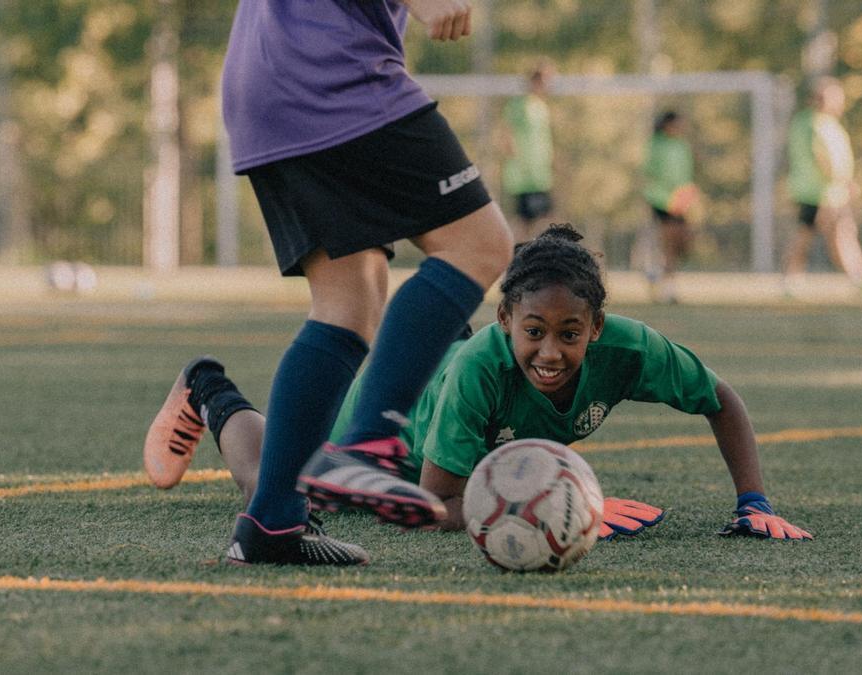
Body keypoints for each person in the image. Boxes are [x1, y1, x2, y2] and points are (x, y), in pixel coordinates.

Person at [145, 226, 811, 565]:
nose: (551, 352)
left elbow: (719, 399)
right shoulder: (480, 369)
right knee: (276, 479)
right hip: (398, 434)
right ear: (506, 321)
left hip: (458, 371)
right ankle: (210, 388)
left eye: (570, 334)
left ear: (597, 328)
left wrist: (753, 502)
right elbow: (433, 503)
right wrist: (570, 511)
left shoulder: (632, 350)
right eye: (534, 332)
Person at [144, 1, 514, 567]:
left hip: (270, 83)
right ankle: (366, 444)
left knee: (350, 300)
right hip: (331, 75)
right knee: (479, 245)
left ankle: (271, 521)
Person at [783, 77, 862, 293]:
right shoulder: (814, 124)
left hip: (822, 190)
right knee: (835, 233)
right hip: (822, 191)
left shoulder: (819, 122)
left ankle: (857, 277)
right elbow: (822, 157)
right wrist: (841, 182)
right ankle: (858, 277)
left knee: (832, 233)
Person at [641, 111, 700, 304]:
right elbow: (651, 173)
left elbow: (686, 173)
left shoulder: (682, 145)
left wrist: (687, 194)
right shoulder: (656, 144)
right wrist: (667, 196)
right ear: (667, 124)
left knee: (684, 242)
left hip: (681, 201)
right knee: (670, 245)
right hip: (663, 200)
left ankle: (656, 273)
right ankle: (668, 289)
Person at [499, 61, 557, 243]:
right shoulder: (519, 104)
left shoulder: (541, 106)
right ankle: (514, 253)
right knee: (524, 220)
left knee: (542, 217)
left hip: (541, 174)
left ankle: (534, 252)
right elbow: (507, 134)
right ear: (535, 80)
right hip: (525, 176)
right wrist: (518, 162)